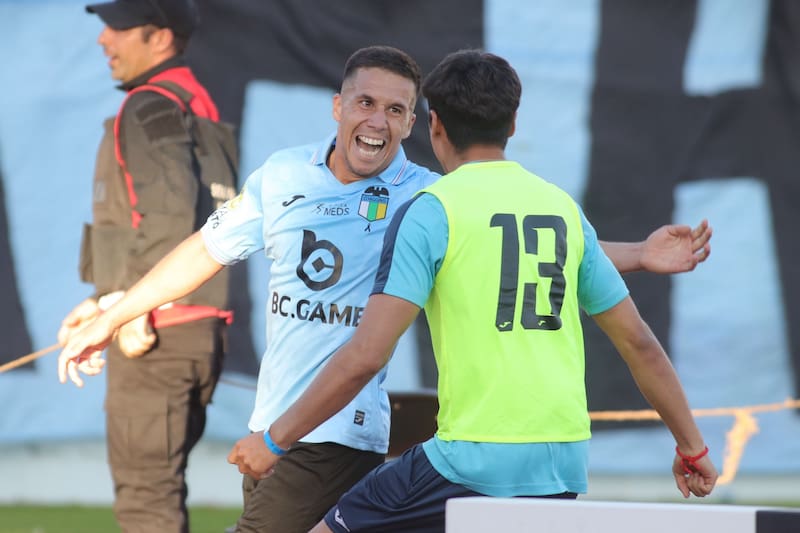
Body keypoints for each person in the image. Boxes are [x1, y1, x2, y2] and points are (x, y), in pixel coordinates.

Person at [58, 46, 712, 533]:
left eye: (395, 109)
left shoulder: (428, 198)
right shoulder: (284, 175)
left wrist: (640, 255)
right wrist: (116, 311)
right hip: (284, 422)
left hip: (339, 429)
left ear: (419, 125)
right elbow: (203, 250)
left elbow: (515, 252)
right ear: (337, 107)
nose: (377, 120)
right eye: (365, 103)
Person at [56, 1, 232, 532]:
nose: (103, 40)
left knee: (146, 507)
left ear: (160, 39)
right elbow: (174, 219)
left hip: (158, 335)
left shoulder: (150, 104)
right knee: (158, 497)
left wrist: (128, 312)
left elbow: (170, 214)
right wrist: (100, 301)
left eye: (117, 28)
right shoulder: (197, 103)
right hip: (194, 332)